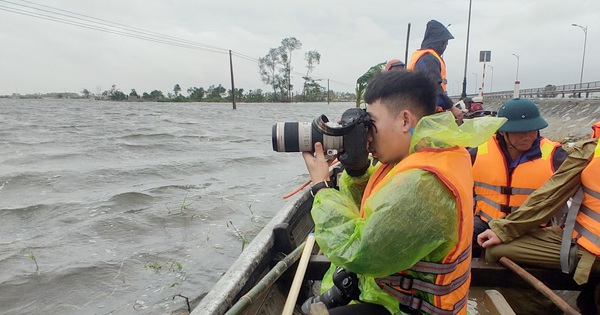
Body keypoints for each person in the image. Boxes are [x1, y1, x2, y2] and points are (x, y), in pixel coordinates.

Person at [301, 70, 505, 314]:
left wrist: (321, 188)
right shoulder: (425, 153)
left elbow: (358, 253)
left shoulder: (424, 183)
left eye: (371, 124)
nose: (366, 135)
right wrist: (357, 171)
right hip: (397, 298)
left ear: (405, 120)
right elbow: (375, 209)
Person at [477, 136, 600, 314]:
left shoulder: (556, 154)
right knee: (493, 248)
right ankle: (547, 310)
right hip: (576, 240)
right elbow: (550, 195)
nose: (526, 136)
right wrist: (504, 229)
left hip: (589, 251)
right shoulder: (592, 148)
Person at [471, 98, 568, 257]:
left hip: (532, 229)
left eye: (533, 129)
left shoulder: (555, 156)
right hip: (486, 222)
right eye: (520, 131)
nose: (528, 136)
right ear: (502, 131)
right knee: (456, 239)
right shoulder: (478, 152)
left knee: (495, 253)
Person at [407, 19, 462, 122]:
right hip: (428, 113)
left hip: (422, 111)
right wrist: (451, 107)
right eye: (445, 43)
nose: (446, 46)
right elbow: (433, 86)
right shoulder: (429, 59)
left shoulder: (422, 57)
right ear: (439, 43)